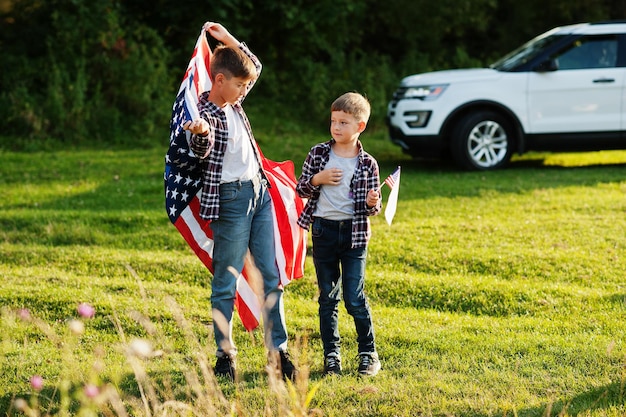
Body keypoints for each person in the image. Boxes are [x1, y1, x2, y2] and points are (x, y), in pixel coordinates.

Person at [183, 21, 296, 381]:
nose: (246, 88)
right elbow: (201, 148)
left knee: (269, 275)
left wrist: (228, 40)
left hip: (258, 194)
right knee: (226, 278)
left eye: (245, 85)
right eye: (239, 83)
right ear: (219, 80)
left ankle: (278, 352)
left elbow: (254, 67)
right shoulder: (208, 113)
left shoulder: (233, 99)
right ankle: (225, 355)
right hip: (231, 201)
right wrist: (199, 134)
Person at [296, 92, 382, 377]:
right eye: (334, 121)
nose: (336, 127)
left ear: (360, 126)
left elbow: (373, 208)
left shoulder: (368, 164)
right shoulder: (319, 153)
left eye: (344, 122)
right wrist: (316, 179)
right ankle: (332, 355)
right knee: (328, 297)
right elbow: (301, 189)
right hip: (323, 231)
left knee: (354, 297)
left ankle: (368, 353)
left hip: (354, 236)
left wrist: (372, 203)